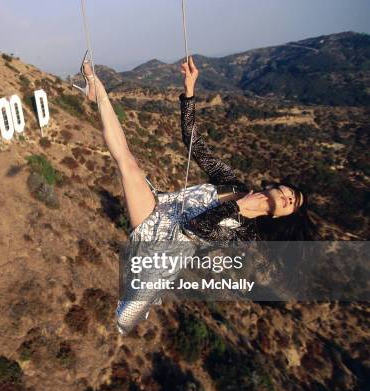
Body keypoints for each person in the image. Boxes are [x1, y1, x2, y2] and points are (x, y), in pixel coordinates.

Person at [77, 55, 315, 334]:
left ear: (280, 216)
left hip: (163, 247)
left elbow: (196, 227)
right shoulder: (231, 183)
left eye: (292, 205)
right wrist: (189, 89)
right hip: (161, 209)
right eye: (291, 193)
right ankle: (97, 91)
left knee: (125, 319)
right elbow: (192, 140)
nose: (289, 199)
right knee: (127, 162)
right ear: (278, 186)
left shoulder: (245, 234)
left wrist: (238, 209)